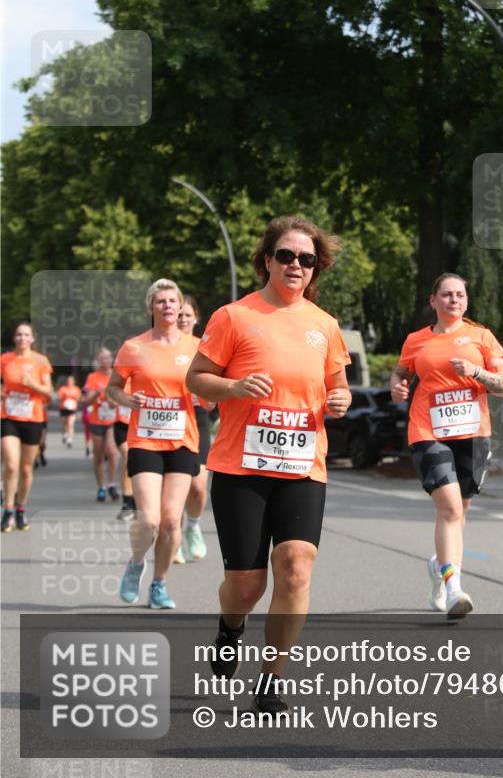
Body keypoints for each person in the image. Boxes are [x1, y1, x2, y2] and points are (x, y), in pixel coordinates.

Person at [186, 215, 351, 716]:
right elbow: (196, 378)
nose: (296, 265)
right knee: (247, 584)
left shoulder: (324, 325)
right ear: (267, 260)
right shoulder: (234, 316)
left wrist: (340, 399)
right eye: (287, 255)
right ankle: (230, 626)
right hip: (242, 467)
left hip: (302, 464)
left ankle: (272, 681)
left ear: (315, 268)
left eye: (307, 259)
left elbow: (337, 385)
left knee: (296, 567)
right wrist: (234, 387)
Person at [390, 273, 503, 619]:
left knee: (461, 512)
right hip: (428, 430)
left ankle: (439, 567)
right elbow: (400, 374)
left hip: (473, 433)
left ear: (466, 300)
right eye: (446, 295)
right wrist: (397, 386)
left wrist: (476, 371)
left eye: (459, 295)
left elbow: (502, 386)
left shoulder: (482, 337)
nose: (453, 300)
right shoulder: (416, 341)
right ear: (433, 301)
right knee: (450, 510)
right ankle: (454, 586)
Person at [107, 278, 201, 610]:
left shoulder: (196, 347)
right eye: (160, 301)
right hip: (145, 439)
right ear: (151, 307)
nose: (167, 306)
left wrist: (209, 397)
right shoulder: (133, 347)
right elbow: (112, 387)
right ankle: (136, 563)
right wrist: (126, 398)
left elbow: (208, 392)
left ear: (180, 306)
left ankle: (159, 585)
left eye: (172, 300)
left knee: (171, 520)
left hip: (182, 441)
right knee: (149, 520)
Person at [1, 322, 53, 532]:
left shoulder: (41, 361)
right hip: (9, 416)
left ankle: (21, 508)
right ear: (15, 338)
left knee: (25, 468)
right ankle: (8, 510)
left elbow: (48, 392)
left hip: (32, 417)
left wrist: (33, 384)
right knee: (11, 465)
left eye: (26, 335)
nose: (22, 338)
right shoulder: (5, 359)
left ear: (32, 339)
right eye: (19, 335)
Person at [173, 295, 211, 563]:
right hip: (170, 420)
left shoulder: (204, 348)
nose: (183, 319)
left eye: (187, 315)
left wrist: (207, 399)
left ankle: (193, 526)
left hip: (197, 418)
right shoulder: (162, 346)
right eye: (179, 315)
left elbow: (214, 392)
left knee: (198, 487)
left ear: (196, 318)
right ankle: (171, 534)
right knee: (174, 485)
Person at [82, 348, 119, 502]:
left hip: (112, 420)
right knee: (98, 455)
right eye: (101, 358)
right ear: (98, 360)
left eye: (107, 357)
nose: (105, 361)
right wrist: (98, 392)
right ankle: (101, 487)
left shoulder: (116, 376)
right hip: (96, 419)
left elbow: (118, 401)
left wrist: (111, 399)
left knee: (111, 452)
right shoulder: (92, 377)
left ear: (111, 359)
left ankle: (111, 483)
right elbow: (86, 401)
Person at [113, 396, 135, 522]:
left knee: (138, 463)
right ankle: (127, 503)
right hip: (122, 424)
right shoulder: (121, 378)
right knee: (128, 457)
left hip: (141, 425)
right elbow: (111, 400)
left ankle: (136, 500)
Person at [57, 375, 81, 447]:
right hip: (64, 408)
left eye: (71, 381)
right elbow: (59, 398)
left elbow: (79, 398)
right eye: (68, 381)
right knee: (65, 424)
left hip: (72, 409)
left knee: (70, 424)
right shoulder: (63, 389)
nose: (70, 382)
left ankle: (70, 439)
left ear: (73, 382)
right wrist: (65, 397)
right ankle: (65, 433)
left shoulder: (76, 389)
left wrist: (75, 398)